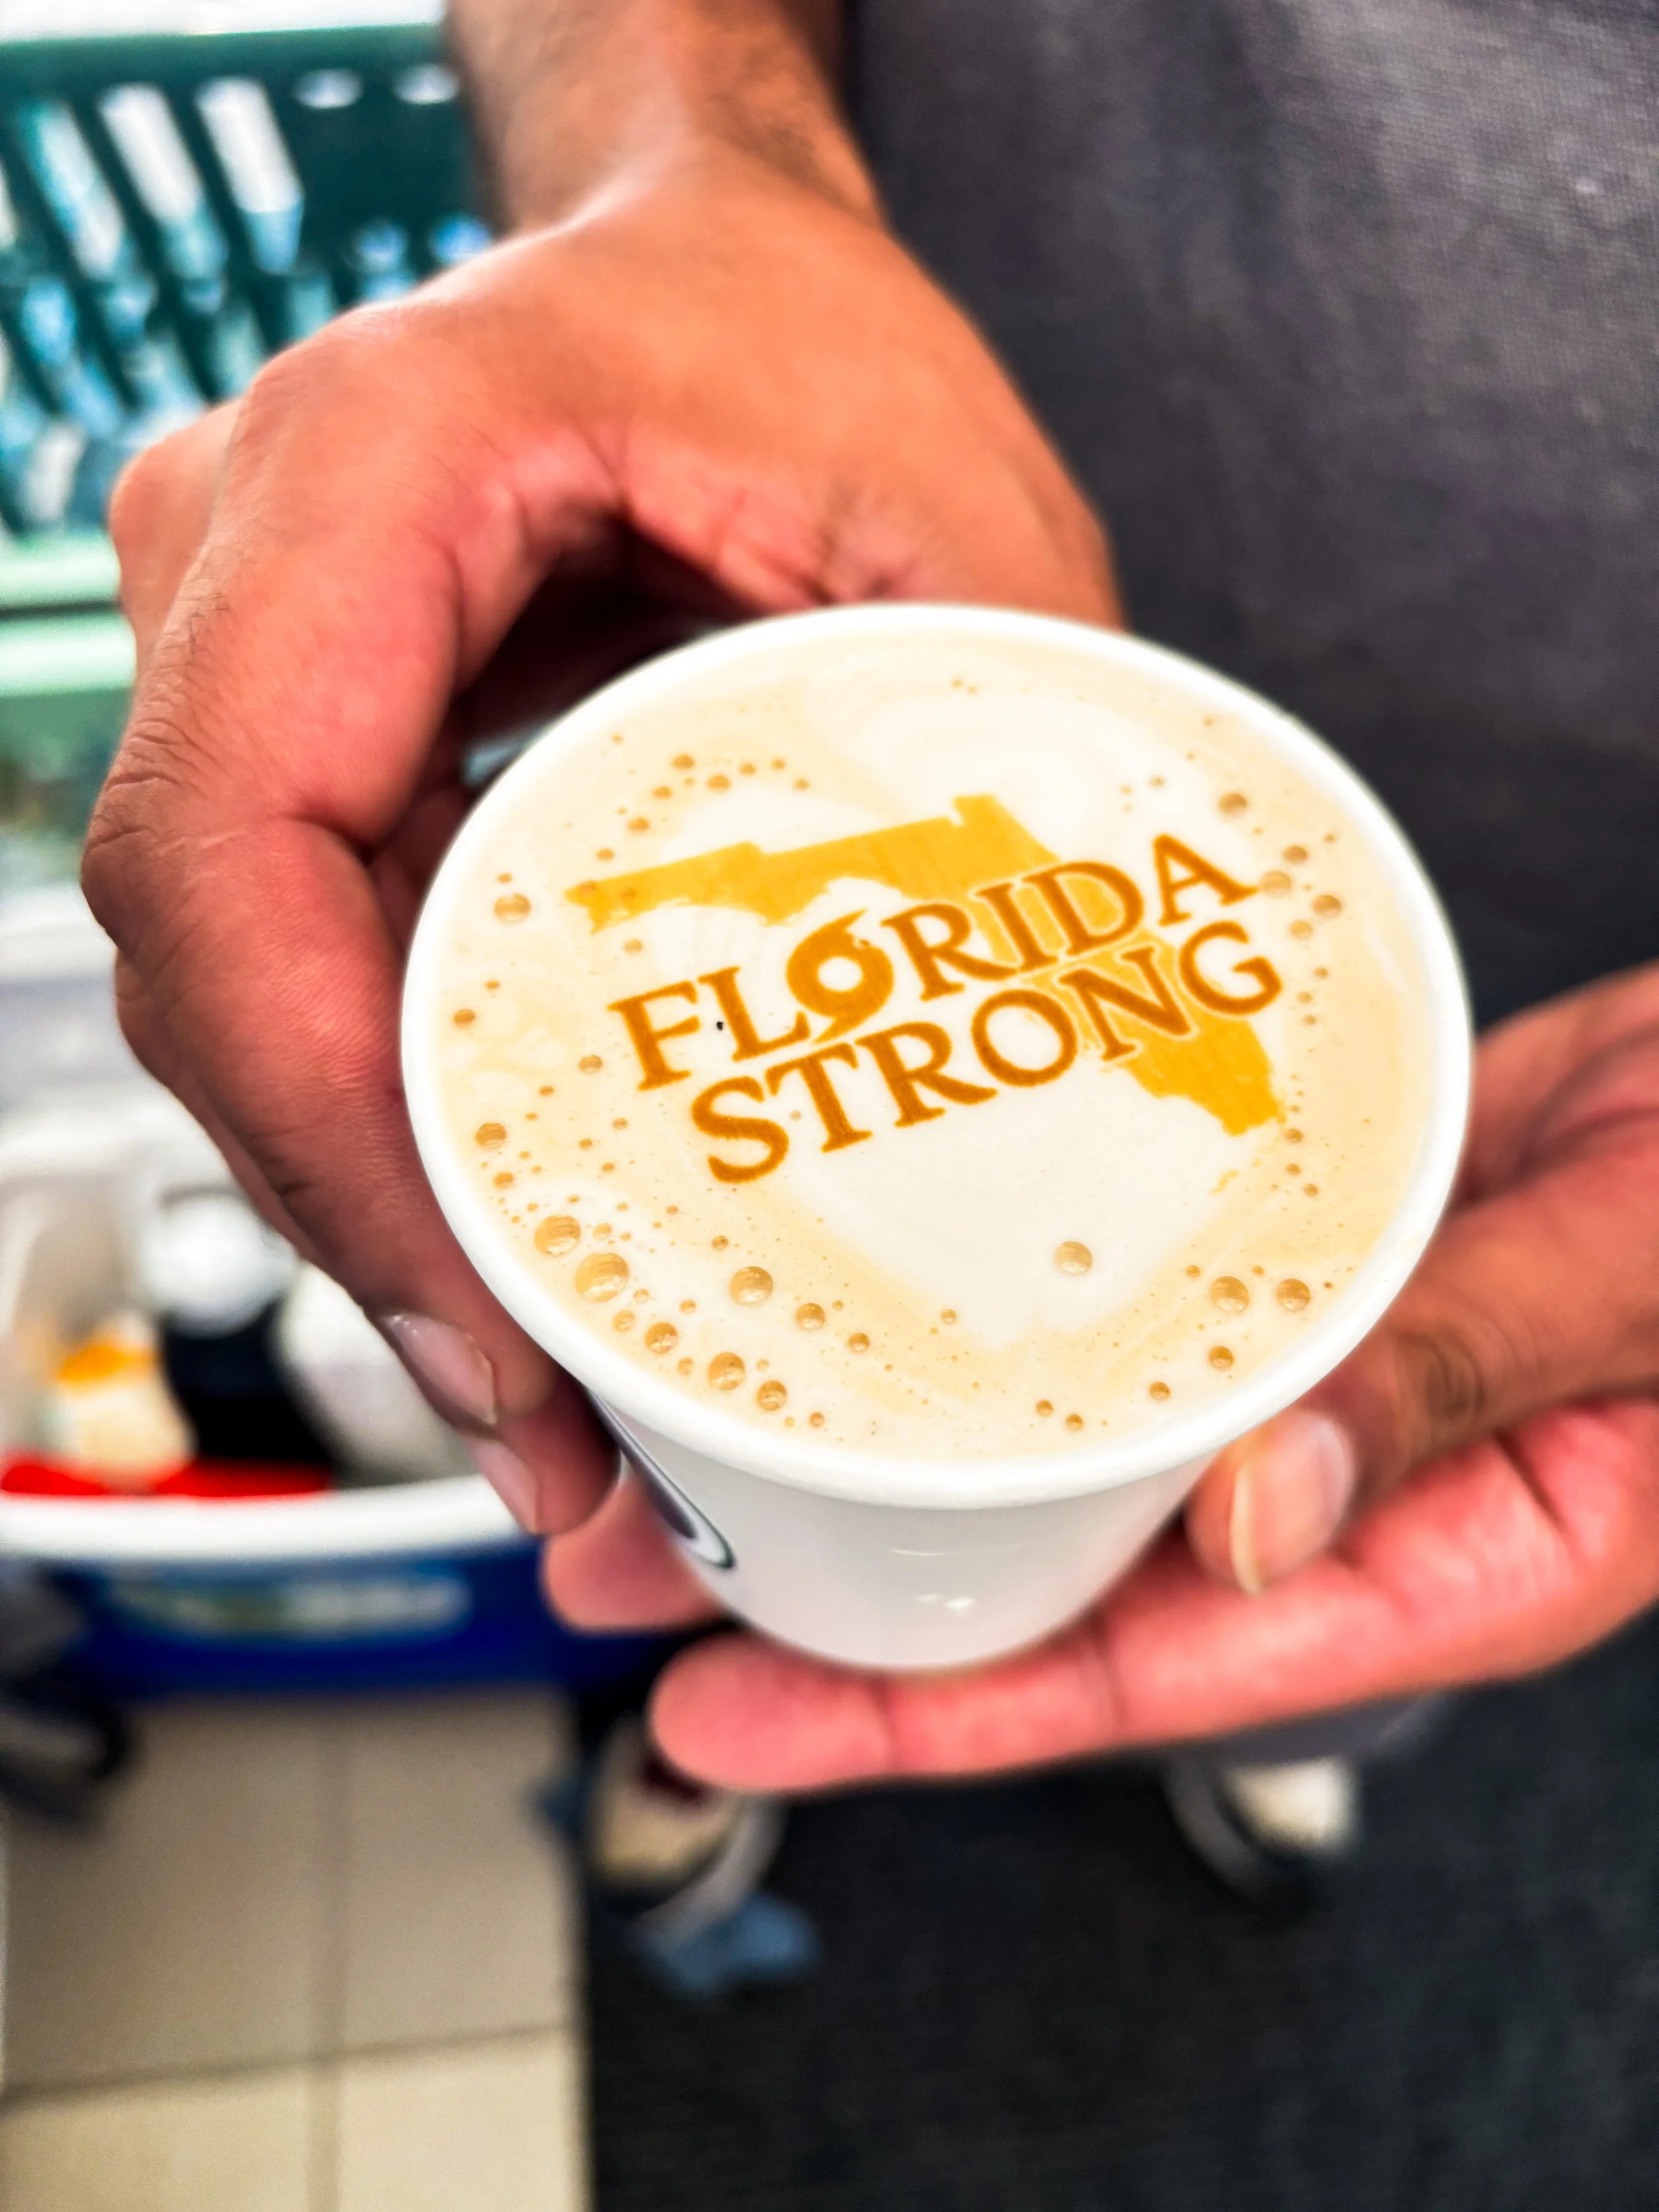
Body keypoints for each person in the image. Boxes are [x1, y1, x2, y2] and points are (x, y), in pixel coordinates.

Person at [84, 0, 1659, 1874]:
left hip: (1569, 910)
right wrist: (673, 150)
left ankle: (1287, 1717)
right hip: (829, 516)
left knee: (1313, 1518)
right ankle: (748, 1683)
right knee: (711, 1527)